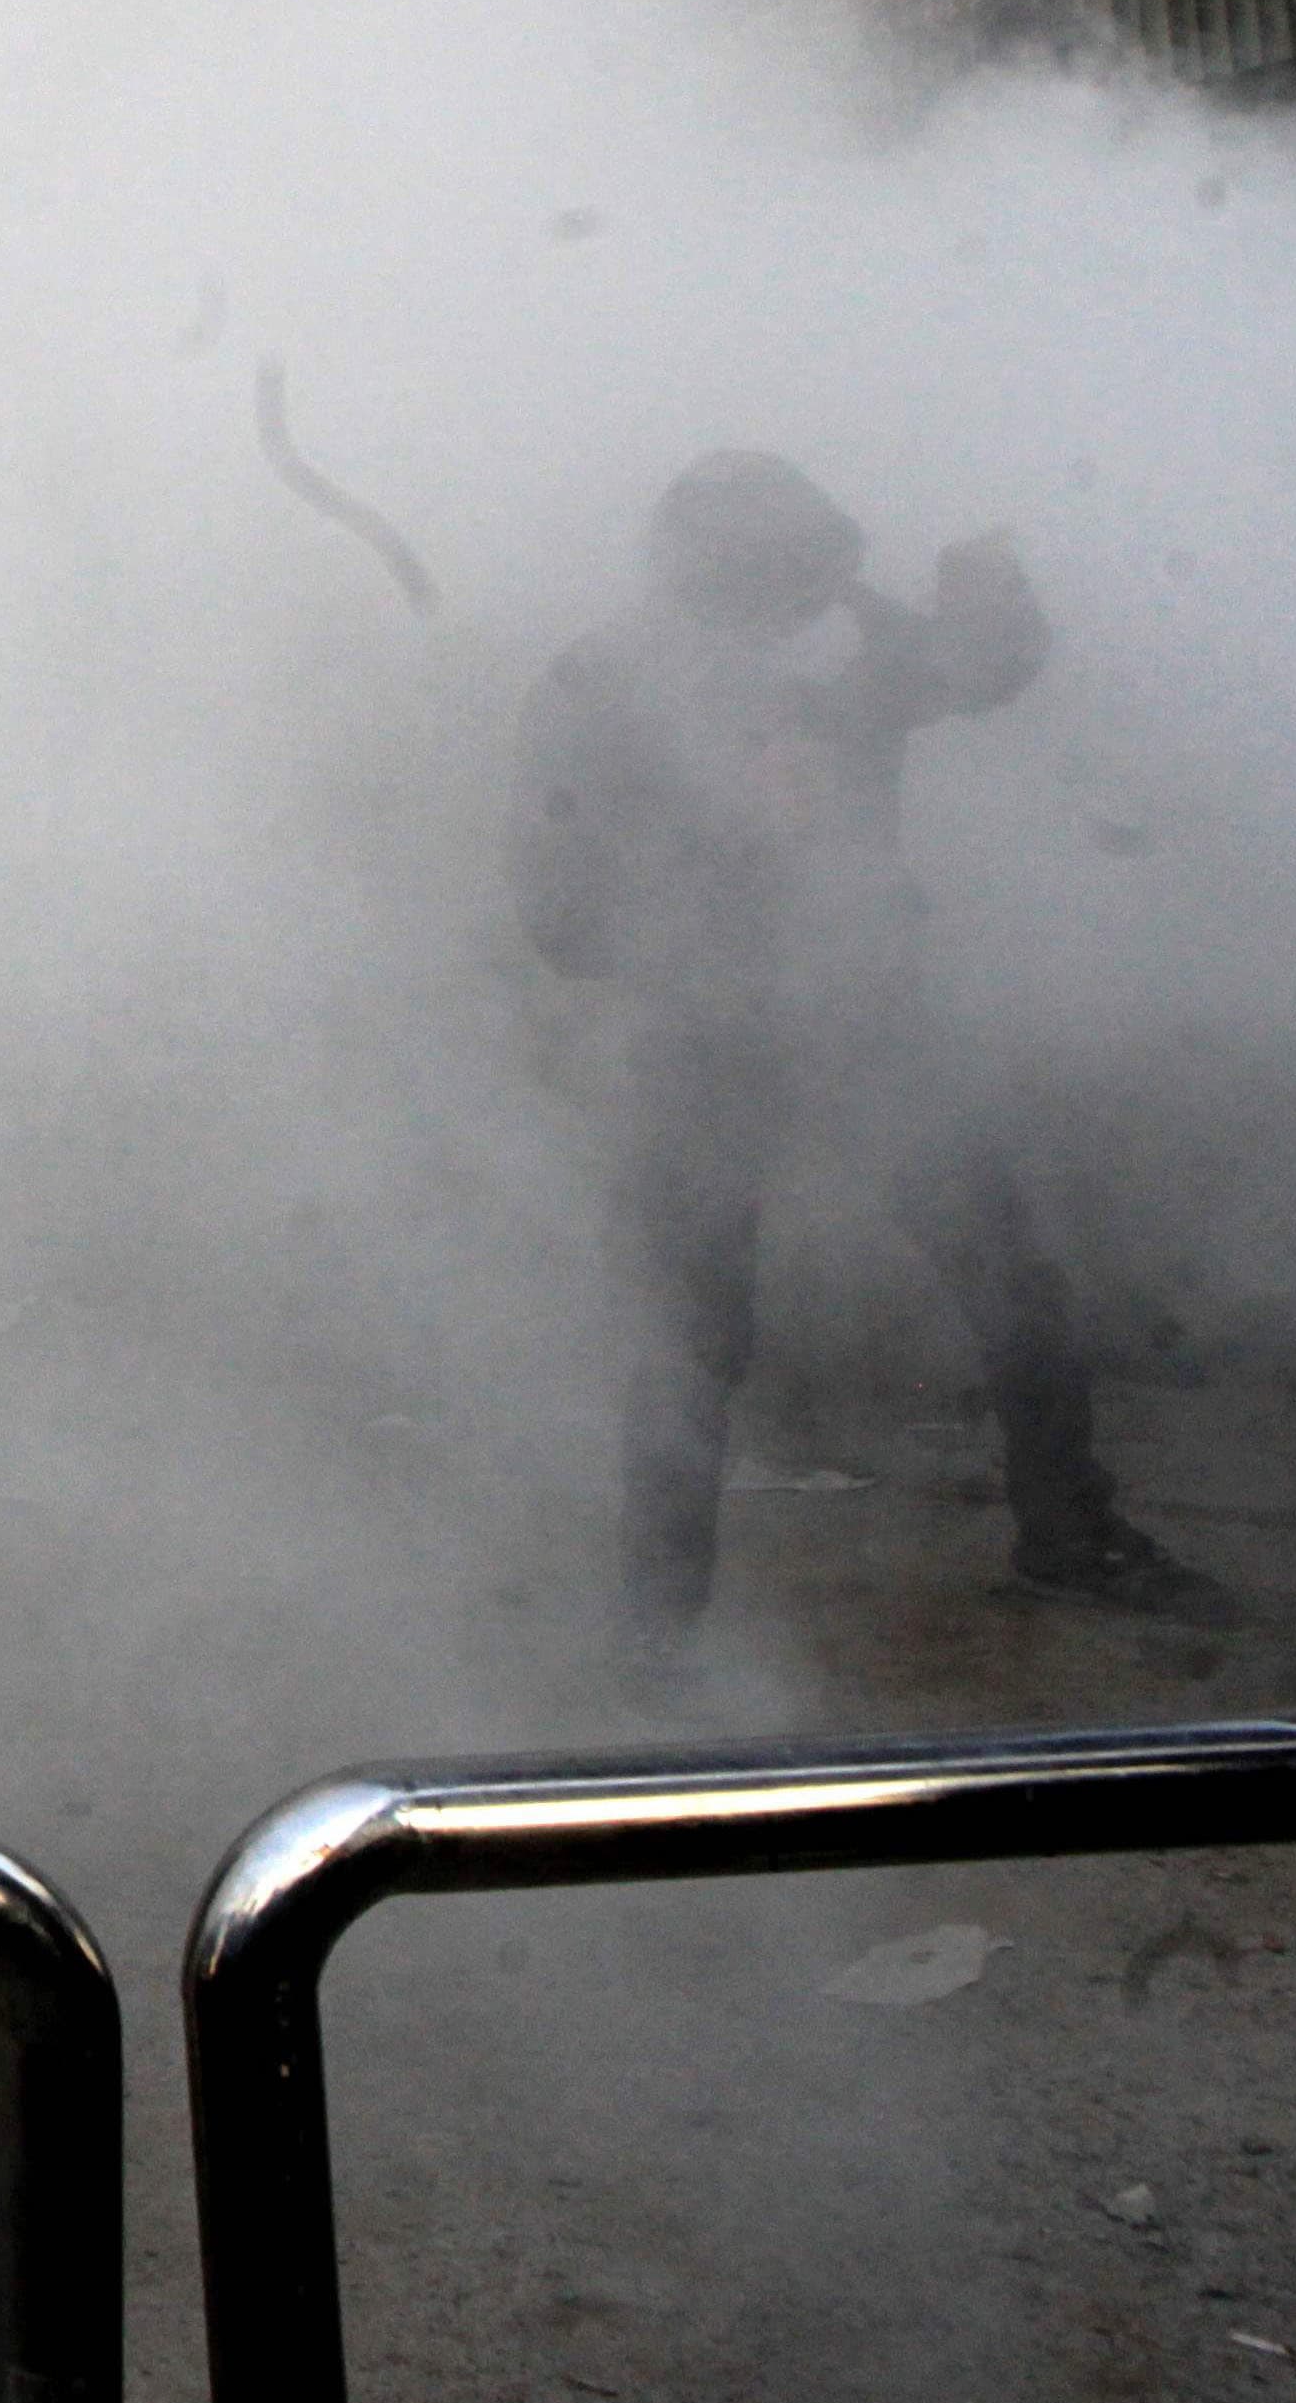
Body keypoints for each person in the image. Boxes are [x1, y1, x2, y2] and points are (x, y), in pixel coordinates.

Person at [512, 450, 1239, 1658]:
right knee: (689, 1332)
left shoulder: (841, 650)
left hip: (869, 1018)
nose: (816, 613)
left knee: (1010, 1277)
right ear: (713, 586)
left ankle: (1068, 1534)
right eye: (785, 589)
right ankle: (657, 1624)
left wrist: (994, 597)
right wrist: (724, 858)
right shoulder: (598, 690)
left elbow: (983, 672)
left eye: (821, 583)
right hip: (705, 1040)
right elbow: (560, 918)